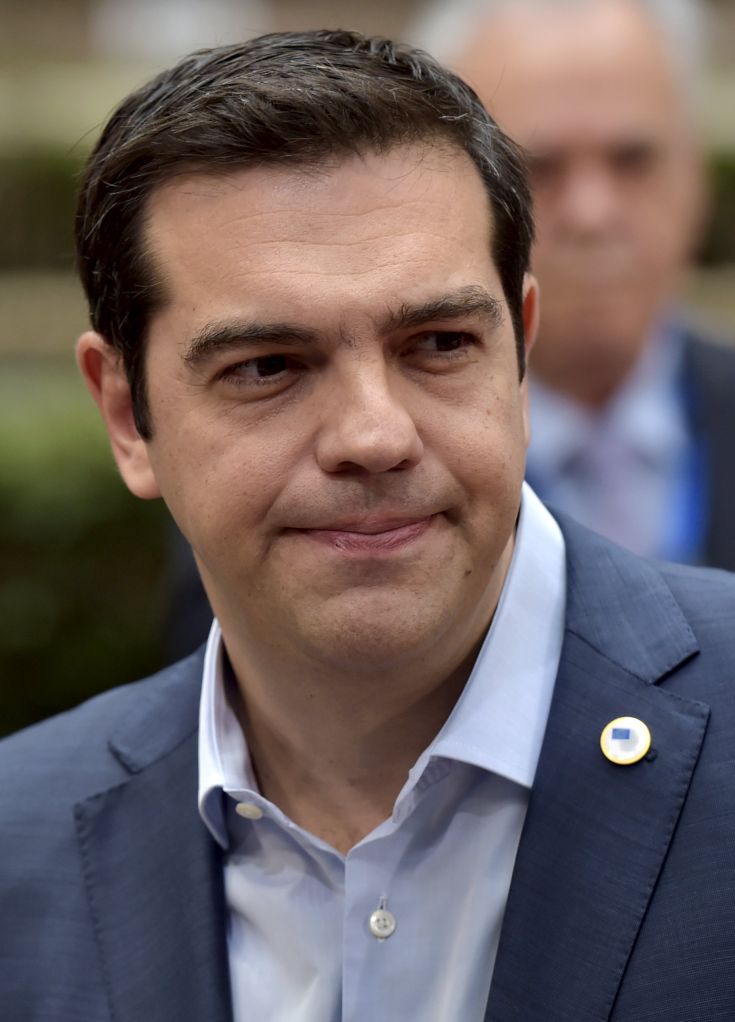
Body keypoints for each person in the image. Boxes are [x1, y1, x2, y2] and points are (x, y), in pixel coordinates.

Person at [2, 29, 735, 1022]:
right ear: (130, 417)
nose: (374, 435)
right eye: (269, 365)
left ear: (520, 348)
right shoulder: (20, 845)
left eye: (436, 344)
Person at [413, 0, 735, 567]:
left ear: (696, 177)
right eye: (538, 168)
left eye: (633, 160)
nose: (592, 212)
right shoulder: (382, 465)